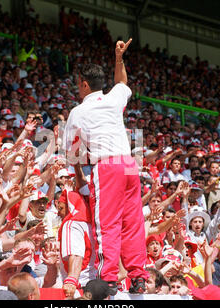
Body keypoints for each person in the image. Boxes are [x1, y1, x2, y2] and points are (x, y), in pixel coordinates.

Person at [62, 38, 149, 294]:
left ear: (85, 84)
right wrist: (118, 58)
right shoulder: (114, 98)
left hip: (107, 166)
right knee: (133, 222)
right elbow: (122, 82)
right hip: (129, 165)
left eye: (78, 84)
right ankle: (138, 276)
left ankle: (108, 278)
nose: (77, 88)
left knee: (106, 223)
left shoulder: (78, 111)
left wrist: (78, 170)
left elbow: (71, 152)